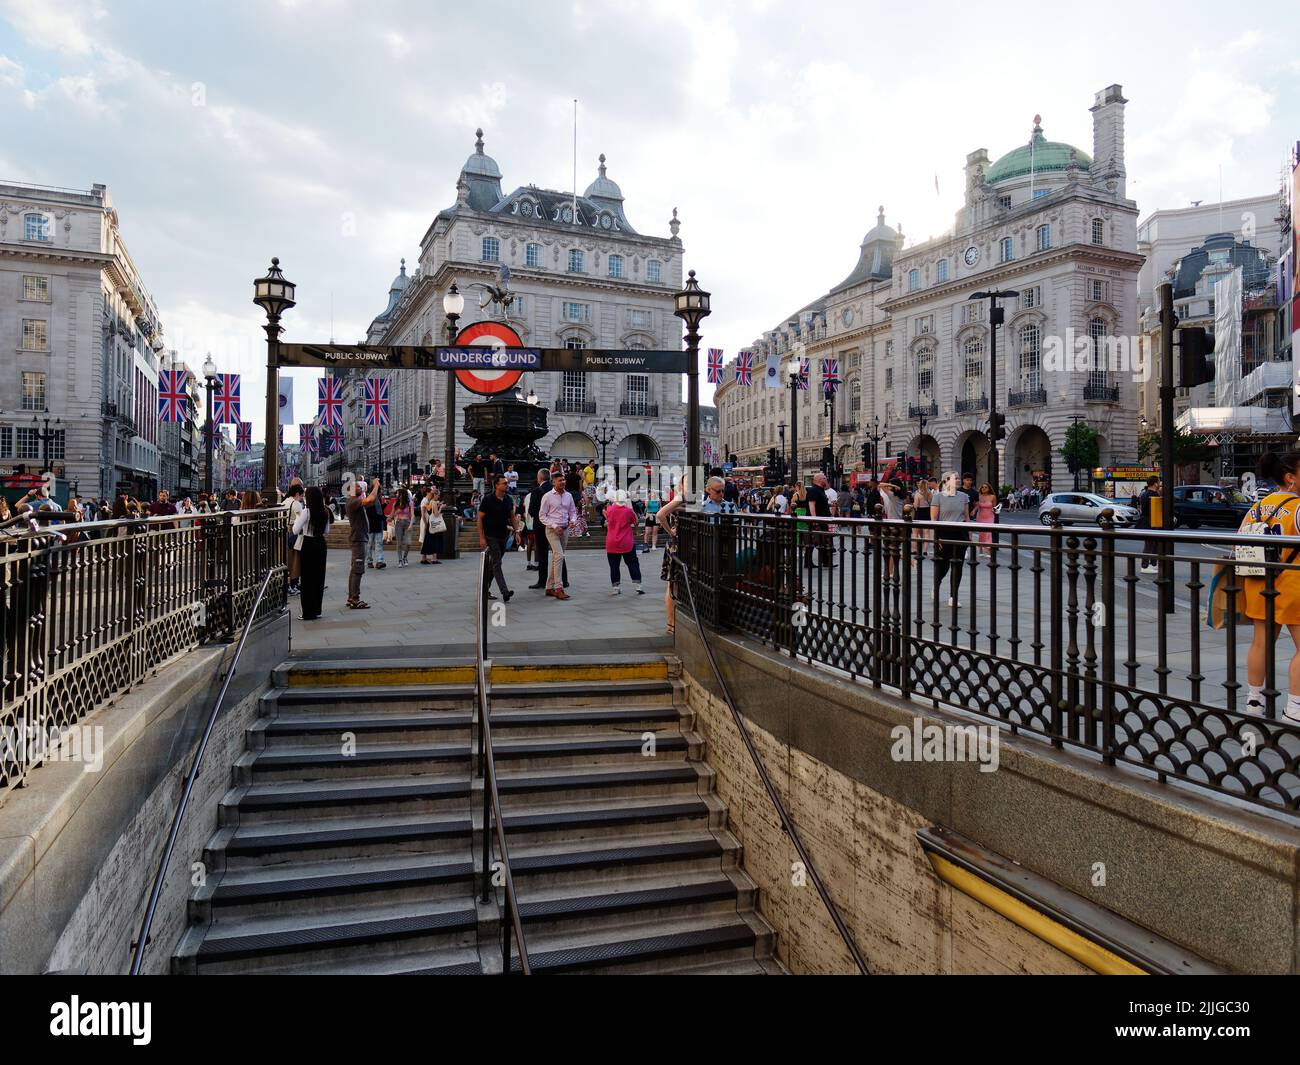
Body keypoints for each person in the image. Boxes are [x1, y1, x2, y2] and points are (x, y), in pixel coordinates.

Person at [1240, 451, 1300, 720]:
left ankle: (1253, 702)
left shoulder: (1257, 507)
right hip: (1293, 584)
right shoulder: (1297, 507)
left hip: (1259, 582)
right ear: (1291, 478)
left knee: (1261, 643)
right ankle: (1295, 708)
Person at [931, 471, 971, 608]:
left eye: (959, 477)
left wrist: (969, 535)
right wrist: (937, 538)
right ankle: (936, 586)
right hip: (944, 533)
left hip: (960, 533)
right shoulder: (938, 497)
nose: (959, 480)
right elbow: (934, 519)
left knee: (958, 566)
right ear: (946, 480)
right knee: (943, 566)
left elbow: (966, 516)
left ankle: (953, 596)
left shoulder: (964, 496)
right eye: (956, 478)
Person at [656, 475, 689, 635]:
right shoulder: (680, 497)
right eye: (688, 481)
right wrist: (670, 531)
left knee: (678, 584)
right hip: (676, 545)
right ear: (682, 484)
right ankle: (671, 624)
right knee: (672, 584)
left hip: (685, 544)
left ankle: (675, 623)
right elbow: (660, 515)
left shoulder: (691, 497)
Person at [293, 485, 332, 620]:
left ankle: (308, 612)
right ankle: (317, 609)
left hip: (308, 543)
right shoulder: (325, 511)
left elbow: (295, 530)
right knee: (319, 577)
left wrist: (298, 518)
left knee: (307, 578)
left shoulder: (306, 512)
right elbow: (327, 531)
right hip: (321, 543)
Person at [540, 470, 577, 600]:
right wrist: (555, 526)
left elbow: (573, 511)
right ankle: (558, 588)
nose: (563, 482)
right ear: (553, 482)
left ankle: (549, 587)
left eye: (563, 480)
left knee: (557, 557)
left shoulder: (569, 496)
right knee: (559, 555)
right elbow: (542, 516)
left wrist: (572, 521)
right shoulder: (547, 496)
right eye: (560, 480)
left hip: (565, 530)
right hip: (552, 530)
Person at [478, 474, 515, 602]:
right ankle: (504, 591)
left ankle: (484, 588)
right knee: (497, 563)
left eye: (507, 483)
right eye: (504, 483)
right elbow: (480, 518)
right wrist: (482, 538)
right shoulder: (488, 499)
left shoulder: (508, 499)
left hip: (503, 536)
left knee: (494, 564)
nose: (507, 485)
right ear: (496, 485)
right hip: (490, 536)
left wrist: (518, 532)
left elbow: (512, 517)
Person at [345, 476, 379, 609]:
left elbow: (371, 500)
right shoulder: (353, 501)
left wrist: (374, 489)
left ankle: (351, 597)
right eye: (357, 486)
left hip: (359, 538)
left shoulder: (356, 501)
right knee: (358, 569)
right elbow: (370, 498)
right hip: (358, 539)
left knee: (354, 569)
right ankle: (355, 598)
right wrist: (376, 485)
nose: (360, 487)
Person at [603, 489, 643, 595]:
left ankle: (615, 588)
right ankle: (638, 585)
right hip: (626, 541)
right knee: (633, 563)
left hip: (612, 541)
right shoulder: (628, 511)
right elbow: (636, 522)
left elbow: (607, 520)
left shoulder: (609, 510)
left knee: (614, 565)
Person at [1137, 475, 1162, 573]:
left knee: (1153, 544)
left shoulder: (1145, 493)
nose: (1160, 483)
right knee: (1149, 544)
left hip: (1149, 522)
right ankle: (1145, 566)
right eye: (1159, 482)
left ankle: (1152, 564)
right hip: (1151, 522)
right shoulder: (1152, 495)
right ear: (1155, 483)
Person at [418, 486, 444, 564]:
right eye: (438, 495)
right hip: (432, 523)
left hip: (429, 522)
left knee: (427, 540)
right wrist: (441, 508)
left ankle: (424, 557)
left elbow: (429, 510)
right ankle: (434, 558)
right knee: (434, 540)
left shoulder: (428, 502)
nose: (439, 496)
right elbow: (436, 514)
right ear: (435, 495)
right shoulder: (432, 502)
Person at [365, 477, 386, 569]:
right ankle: (369, 561)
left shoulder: (377, 498)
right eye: (379, 488)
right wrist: (383, 517)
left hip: (377, 524)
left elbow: (377, 511)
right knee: (370, 543)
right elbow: (370, 512)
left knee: (378, 543)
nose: (380, 491)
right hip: (372, 524)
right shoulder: (370, 497)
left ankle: (379, 561)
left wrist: (383, 506)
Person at [391, 485, 414, 568]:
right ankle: (400, 560)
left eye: (398, 494)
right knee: (399, 543)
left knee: (408, 542)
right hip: (399, 523)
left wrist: (411, 524)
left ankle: (405, 557)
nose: (396, 495)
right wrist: (390, 518)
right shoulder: (395, 504)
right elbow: (391, 515)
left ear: (402, 494)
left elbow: (412, 515)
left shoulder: (410, 503)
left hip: (408, 522)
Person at [974, 483, 998, 555]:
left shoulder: (992, 497)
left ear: (989, 489)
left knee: (988, 533)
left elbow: (994, 507)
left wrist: (996, 509)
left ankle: (988, 550)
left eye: (986, 487)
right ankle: (980, 549)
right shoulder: (979, 496)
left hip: (990, 517)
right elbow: (977, 506)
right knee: (981, 533)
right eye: (982, 487)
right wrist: (974, 510)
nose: (984, 488)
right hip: (980, 517)